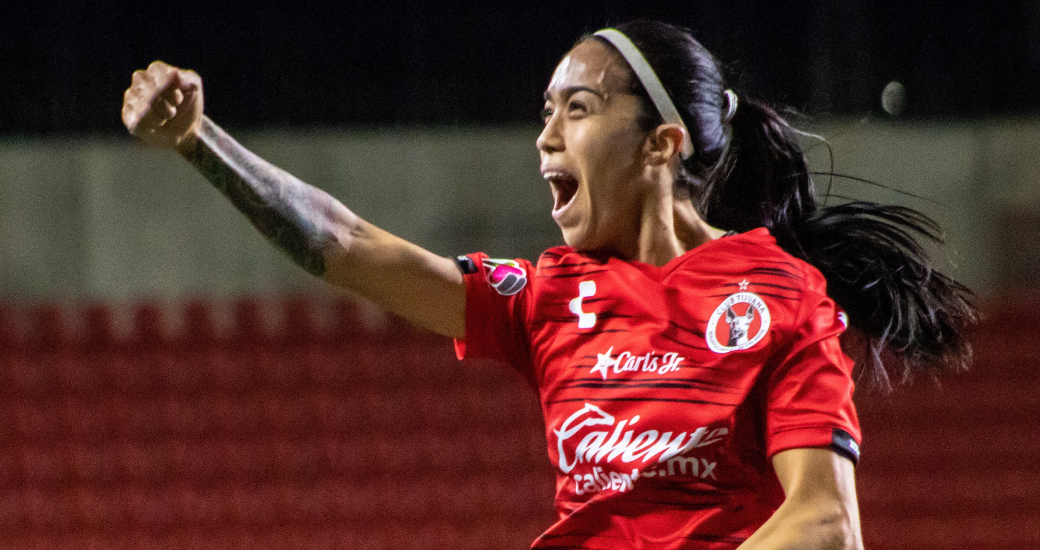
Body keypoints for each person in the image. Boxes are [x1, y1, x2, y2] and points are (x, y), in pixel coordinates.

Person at [121, 20, 976, 550]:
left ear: (661, 144)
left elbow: (827, 524)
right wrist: (202, 142)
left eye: (576, 108)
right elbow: (343, 244)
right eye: (544, 112)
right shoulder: (548, 296)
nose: (544, 139)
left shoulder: (779, 295)